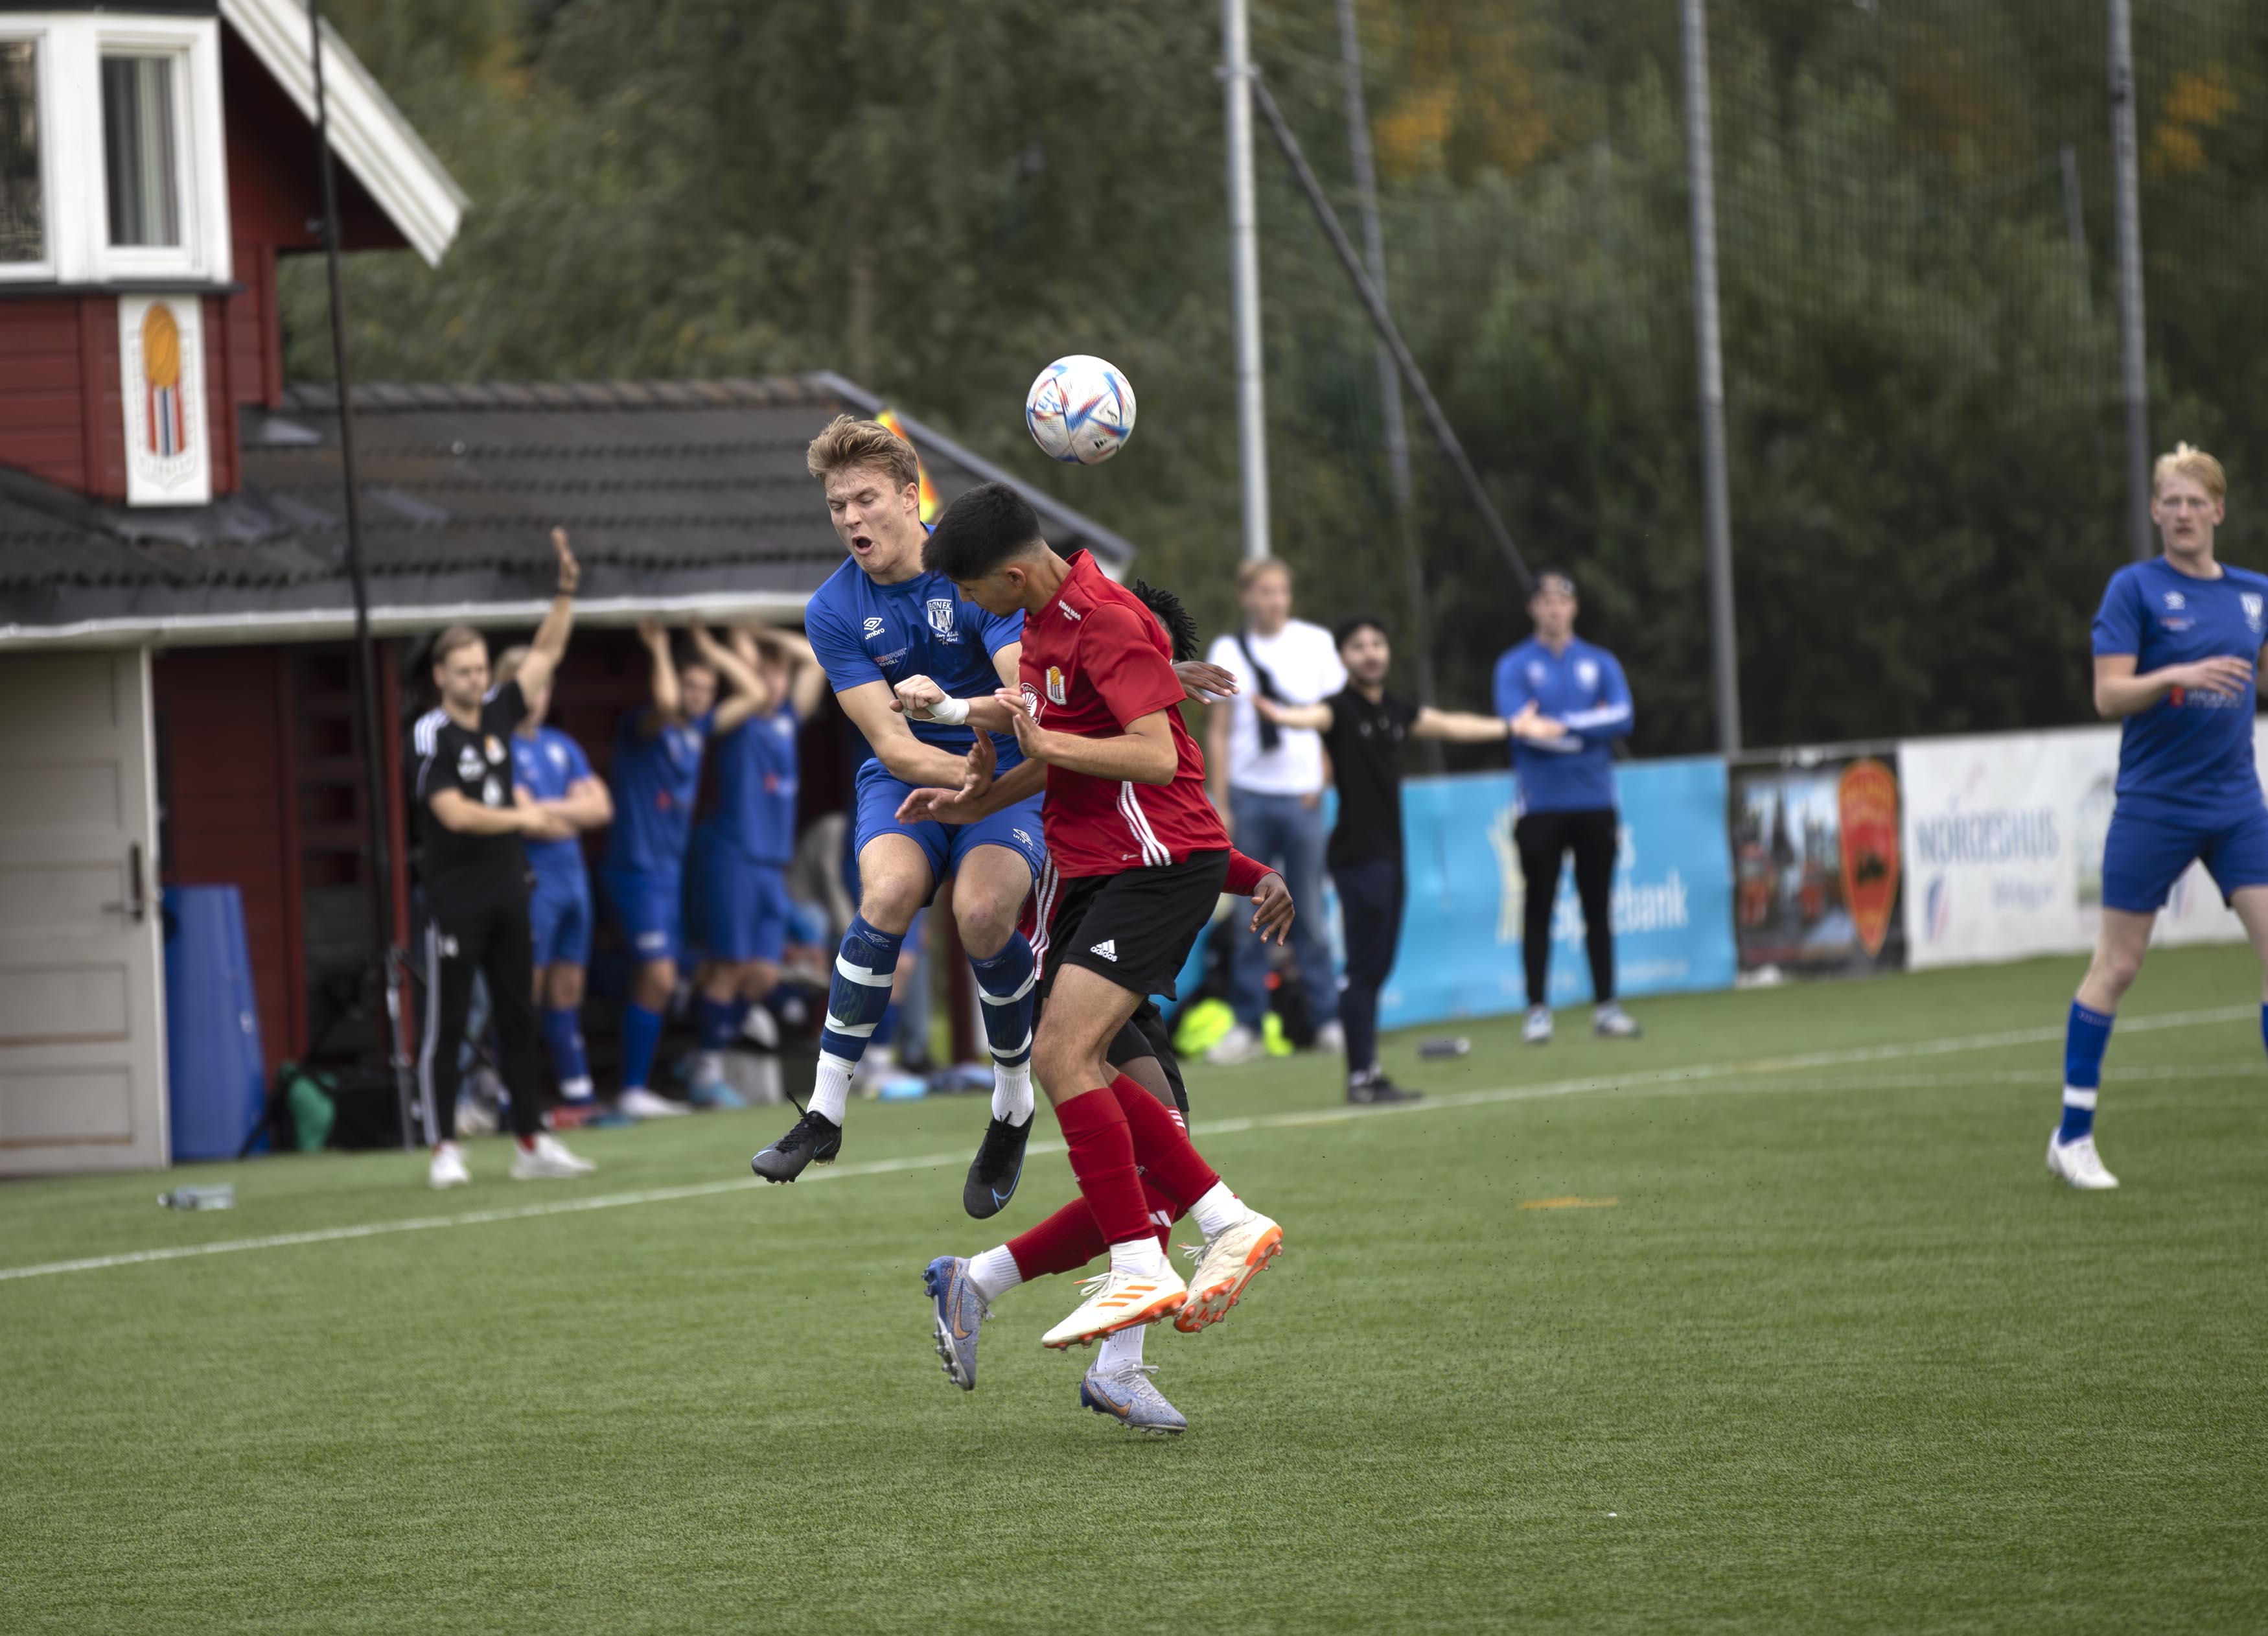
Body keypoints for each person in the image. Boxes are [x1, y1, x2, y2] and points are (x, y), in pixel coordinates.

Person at [912, 482, 1287, 1434]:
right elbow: (1063, 750)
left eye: (970, 593)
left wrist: (1023, 736)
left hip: (1143, 875)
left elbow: (1159, 765)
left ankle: (1151, 1260)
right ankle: (1169, 1248)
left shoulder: (1106, 623)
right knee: (1110, 1103)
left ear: (1008, 574)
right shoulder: (1041, 630)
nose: (969, 614)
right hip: (1102, 883)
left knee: (1067, 1066)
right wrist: (972, 801)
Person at [748, 416, 1048, 1213]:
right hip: (909, 776)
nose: (850, 518)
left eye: (865, 499)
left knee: (981, 913)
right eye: (836, 504)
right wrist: (960, 770)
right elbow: (887, 736)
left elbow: (1023, 708)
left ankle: (1012, 1100)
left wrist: (960, 725)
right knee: (882, 897)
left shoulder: (976, 568)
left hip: (1010, 772)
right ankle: (824, 1110)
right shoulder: (831, 609)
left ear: (910, 499)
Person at [2054, 443, 2268, 1190]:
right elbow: (2107, 696)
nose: (2181, 513)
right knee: (2116, 966)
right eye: (2168, 501)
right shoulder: (2133, 590)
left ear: (2217, 509)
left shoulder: (2253, 594)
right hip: (2154, 804)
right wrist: (2175, 673)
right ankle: (2071, 1136)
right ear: (2154, 512)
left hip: (2236, 803)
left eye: (2193, 500)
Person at [1253, 616, 1517, 1103]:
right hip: (1358, 858)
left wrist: (1512, 725)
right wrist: (1281, 716)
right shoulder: (1338, 710)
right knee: (1363, 968)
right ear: (1343, 657)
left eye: (1377, 643)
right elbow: (1309, 717)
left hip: (1391, 857)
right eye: (1358, 646)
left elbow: (1452, 724)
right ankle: (1361, 1077)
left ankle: (1368, 1073)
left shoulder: (1397, 710)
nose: (1370, 653)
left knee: (1376, 969)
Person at [407, 528, 596, 1188]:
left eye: (481, 668)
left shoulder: (496, 712)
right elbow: (452, 812)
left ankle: (530, 1140)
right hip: (454, 897)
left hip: (509, 889)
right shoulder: (432, 732)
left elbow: (545, 654)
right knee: (448, 1022)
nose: (475, 679)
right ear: (440, 677)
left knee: (520, 1016)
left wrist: (565, 590)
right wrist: (523, 815)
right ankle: (443, 1147)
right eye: (462, 671)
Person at [1202, 557, 1347, 1064]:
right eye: (1263, 591)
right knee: (1249, 915)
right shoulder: (1227, 650)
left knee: (1309, 910)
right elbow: (1217, 732)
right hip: (1248, 795)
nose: (1273, 600)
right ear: (1247, 597)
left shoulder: (1316, 644)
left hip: (1302, 796)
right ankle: (1247, 1025)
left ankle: (1329, 1019)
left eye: (1280, 591)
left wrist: (1323, 778)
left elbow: (1336, 720)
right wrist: (1221, 801)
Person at [597, 620, 741, 1118]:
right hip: (634, 871)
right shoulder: (644, 726)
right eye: (692, 685)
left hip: (667, 877)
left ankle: (649, 1081)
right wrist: (659, 648)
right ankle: (632, 1088)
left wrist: (706, 646)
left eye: (707, 689)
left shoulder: (699, 729)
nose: (700, 696)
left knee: (673, 975)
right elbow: (663, 705)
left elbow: (751, 693)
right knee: (658, 978)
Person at [1492, 570, 1641, 1044]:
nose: (1554, 608)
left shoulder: (1600, 662)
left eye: (1562, 600)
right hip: (1539, 806)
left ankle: (1607, 1007)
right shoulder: (1514, 665)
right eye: (1544, 600)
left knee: (1598, 906)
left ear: (1573, 608)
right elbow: (1522, 728)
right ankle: (1537, 1010)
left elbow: (1623, 716)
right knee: (1539, 906)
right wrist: (1582, 730)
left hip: (1596, 801)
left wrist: (1564, 725)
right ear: (1532, 608)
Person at [684, 622, 826, 1108]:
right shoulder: (738, 718)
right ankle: (704, 1066)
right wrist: (735, 647)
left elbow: (814, 658)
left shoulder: (786, 718)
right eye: (764, 675)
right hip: (734, 856)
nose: (774, 685)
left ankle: (706, 1046)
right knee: (730, 965)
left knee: (764, 973)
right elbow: (747, 679)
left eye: (779, 676)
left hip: (772, 862)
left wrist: (764, 632)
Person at [497, 644, 612, 1113]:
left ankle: (577, 1096)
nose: (539, 696)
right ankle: (509, 1099)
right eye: (530, 685)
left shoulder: (562, 746)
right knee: (526, 991)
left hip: (573, 884)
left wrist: (551, 810)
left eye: (545, 685)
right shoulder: (497, 747)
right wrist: (571, 812)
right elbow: (529, 822)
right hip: (532, 883)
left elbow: (602, 809)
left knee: (567, 992)